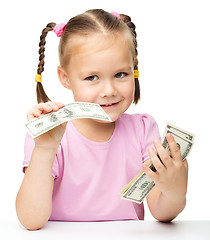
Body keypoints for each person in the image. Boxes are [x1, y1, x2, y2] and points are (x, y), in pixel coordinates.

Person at [15, 9, 188, 230]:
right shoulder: (48, 134)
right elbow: (31, 221)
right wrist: (45, 149)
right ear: (65, 78)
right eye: (92, 77)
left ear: (133, 68)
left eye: (120, 74)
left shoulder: (142, 129)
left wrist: (174, 192)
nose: (109, 90)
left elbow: (161, 212)